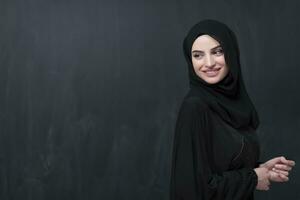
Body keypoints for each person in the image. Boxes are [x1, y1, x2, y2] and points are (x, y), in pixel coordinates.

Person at [169, 19, 295, 200]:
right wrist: (252, 178)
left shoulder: (236, 105)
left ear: (231, 53)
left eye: (217, 52)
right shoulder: (195, 107)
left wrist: (260, 169)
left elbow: (219, 165)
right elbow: (190, 190)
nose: (209, 63)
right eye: (198, 55)